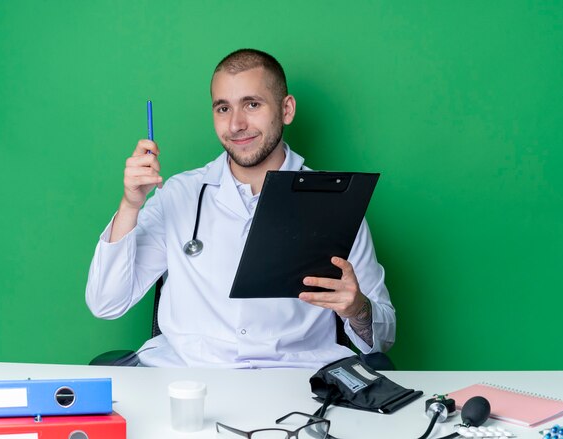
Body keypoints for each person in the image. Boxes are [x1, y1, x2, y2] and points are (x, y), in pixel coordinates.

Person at [86, 48, 396, 368]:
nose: (236, 124)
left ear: (286, 109)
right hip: (187, 377)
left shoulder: (336, 202)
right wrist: (130, 205)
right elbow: (106, 303)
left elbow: (383, 338)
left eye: (252, 104)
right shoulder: (178, 194)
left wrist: (356, 308)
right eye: (223, 108)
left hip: (297, 380)